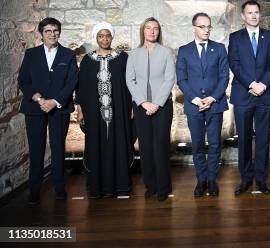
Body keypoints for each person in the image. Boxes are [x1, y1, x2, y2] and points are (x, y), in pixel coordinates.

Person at [18, 17, 78, 204]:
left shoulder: (68, 55)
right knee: (36, 149)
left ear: (60, 32)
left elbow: (72, 81)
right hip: (35, 108)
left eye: (55, 30)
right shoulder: (31, 54)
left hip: (59, 108)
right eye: (48, 31)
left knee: (58, 148)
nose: (52, 34)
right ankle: (34, 190)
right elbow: (23, 80)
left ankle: (59, 187)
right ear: (42, 34)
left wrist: (55, 101)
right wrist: (38, 98)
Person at [76, 22, 133, 198]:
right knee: (96, 144)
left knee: (118, 142)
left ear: (112, 37)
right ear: (96, 38)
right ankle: (97, 185)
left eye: (107, 35)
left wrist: (131, 106)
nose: (104, 39)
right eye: (101, 36)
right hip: (93, 111)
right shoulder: (87, 60)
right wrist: (80, 109)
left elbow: (129, 83)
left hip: (118, 109)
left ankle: (119, 184)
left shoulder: (122, 58)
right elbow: (81, 86)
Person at [229, 0, 270, 195]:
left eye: (256, 12)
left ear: (260, 14)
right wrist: (251, 84)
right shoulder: (235, 37)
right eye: (249, 13)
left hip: (265, 95)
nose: (253, 16)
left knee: (263, 139)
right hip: (243, 95)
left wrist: (263, 84)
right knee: (243, 139)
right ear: (243, 16)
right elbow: (234, 63)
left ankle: (261, 178)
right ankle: (245, 178)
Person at [176, 13, 229, 197]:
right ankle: (201, 179)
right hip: (194, 106)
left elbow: (224, 77)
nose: (206, 30)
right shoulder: (184, 51)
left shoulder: (220, 48)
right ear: (194, 28)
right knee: (198, 144)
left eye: (209, 27)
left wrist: (213, 98)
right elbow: (182, 79)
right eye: (202, 26)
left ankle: (212, 179)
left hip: (215, 104)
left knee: (214, 144)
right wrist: (196, 100)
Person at [126, 17, 176, 202]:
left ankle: (163, 187)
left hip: (162, 106)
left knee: (161, 146)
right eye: (148, 28)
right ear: (143, 31)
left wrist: (156, 103)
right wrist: (143, 102)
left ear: (159, 32)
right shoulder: (133, 54)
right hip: (141, 106)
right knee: (145, 147)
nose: (152, 31)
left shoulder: (166, 52)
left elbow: (169, 79)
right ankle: (151, 185)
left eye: (155, 28)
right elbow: (129, 80)